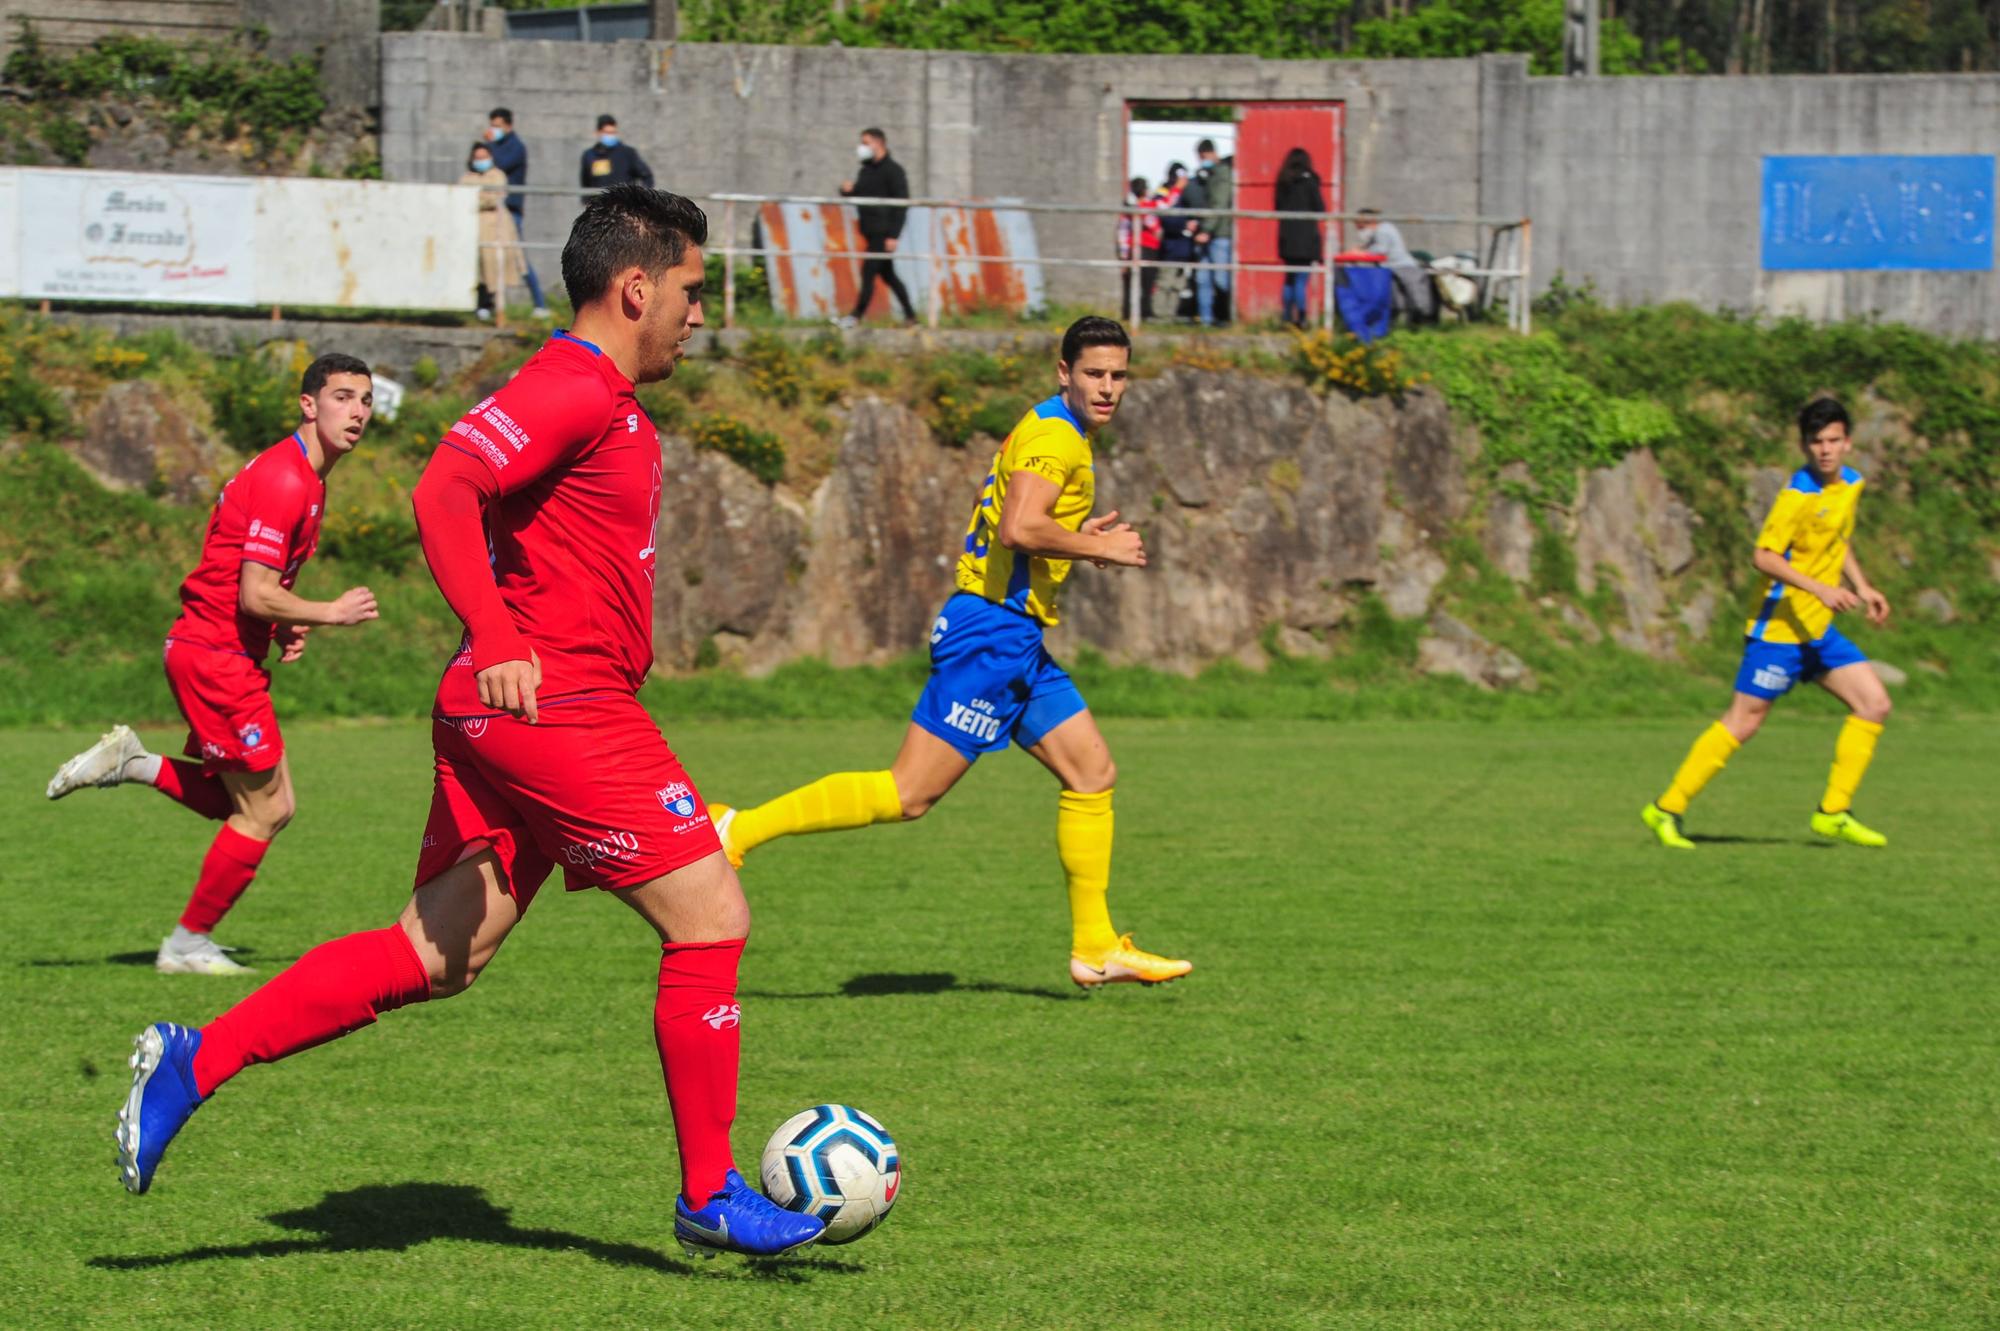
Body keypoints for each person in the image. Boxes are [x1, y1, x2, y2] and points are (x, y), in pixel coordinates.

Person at [113, 185, 826, 1261]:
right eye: (689, 288)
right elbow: (445, 485)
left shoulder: (606, 398)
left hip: (528, 706)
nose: (698, 312)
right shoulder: (571, 385)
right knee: (710, 913)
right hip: (554, 701)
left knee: (439, 955)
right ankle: (711, 1189)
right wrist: (496, 635)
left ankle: (193, 1060)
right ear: (636, 286)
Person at [707, 317, 1191, 992]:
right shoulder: (1057, 437)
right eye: (1094, 374)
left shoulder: (1052, 426)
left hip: (1015, 638)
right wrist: (1096, 547)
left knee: (1092, 772)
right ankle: (738, 827)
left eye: (1118, 375)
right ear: (1064, 372)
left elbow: (1012, 519)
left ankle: (1096, 945)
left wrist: (1075, 536)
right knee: (910, 794)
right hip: (991, 635)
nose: (1107, 387)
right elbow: (1021, 525)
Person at [46, 357, 381, 975]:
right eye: (342, 397)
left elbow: (243, 579)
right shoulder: (287, 481)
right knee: (267, 809)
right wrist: (327, 611)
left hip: (216, 650)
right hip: (215, 656)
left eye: (365, 400)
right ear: (309, 404)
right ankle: (186, 945)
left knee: (257, 804)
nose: (357, 411)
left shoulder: (302, 475)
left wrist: (283, 623)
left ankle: (134, 765)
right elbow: (253, 591)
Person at [1641, 397, 1895, 850]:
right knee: (1743, 723)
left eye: (1833, 440)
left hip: (1817, 631)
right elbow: (1763, 557)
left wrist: (1864, 585)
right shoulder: (1796, 496)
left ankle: (1833, 813)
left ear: (1848, 442)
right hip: (1778, 631)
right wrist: (1819, 588)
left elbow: (1838, 540)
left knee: (1874, 704)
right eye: (1815, 442)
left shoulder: (1851, 484)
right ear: (1803, 445)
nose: (1825, 450)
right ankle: (1666, 808)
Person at [837, 127, 916, 327]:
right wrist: (847, 191)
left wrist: (893, 235)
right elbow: (860, 194)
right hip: (870, 232)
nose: (861, 147)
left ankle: (855, 317)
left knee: (868, 272)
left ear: (878, 143)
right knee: (889, 276)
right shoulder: (867, 170)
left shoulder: (894, 171)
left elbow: (901, 204)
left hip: (883, 232)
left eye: (865, 142)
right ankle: (911, 317)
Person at [483, 107, 552, 320]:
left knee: (518, 257)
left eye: (497, 126)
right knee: (488, 256)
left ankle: (539, 303)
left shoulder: (515, 147)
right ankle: (486, 305)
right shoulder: (497, 145)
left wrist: (488, 146)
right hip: (493, 210)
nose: (494, 130)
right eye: (492, 125)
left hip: (510, 210)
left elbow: (499, 166)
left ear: (508, 126)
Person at [462, 140, 528, 321]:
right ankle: (480, 305)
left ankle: (494, 306)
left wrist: (478, 199)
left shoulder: (497, 175)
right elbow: (462, 198)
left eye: (484, 157)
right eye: (477, 157)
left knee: (496, 264)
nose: (481, 160)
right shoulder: (467, 177)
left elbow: (495, 198)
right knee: (479, 267)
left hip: (497, 226)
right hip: (475, 225)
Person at [1355, 208, 1435, 325]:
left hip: (1401, 268)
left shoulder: (1382, 231)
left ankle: (1418, 324)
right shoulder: (1383, 229)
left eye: (1359, 223)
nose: (1357, 227)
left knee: (1411, 300)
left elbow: (1381, 250)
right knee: (1397, 300)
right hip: (1394, 268)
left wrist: (1361, 252)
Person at [1274, 147, 1325, 329]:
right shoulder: (1310, 181)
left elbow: (1277, 207)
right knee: (1301, 280)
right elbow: (1320, 208)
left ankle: (1286, 316)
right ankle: (1301, 318)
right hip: (1305, 238)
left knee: (1289, 278)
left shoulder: (1282, 181)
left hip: (1286, 236)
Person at [1189, 138, 1234, 327]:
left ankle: (1226, 317)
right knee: (1202, 279)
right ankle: (1206, 320)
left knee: (1221, 279)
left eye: (1202, 157)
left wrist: (1206, 229)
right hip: (1210, 232)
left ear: (1208, 153)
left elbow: (1219, 204)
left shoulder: (1222, 174)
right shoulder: (1213, 174)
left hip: (1219, 234)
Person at [1117, 175, 1162, 321]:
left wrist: (1123, 255)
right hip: (1147, 247)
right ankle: (1145, 312)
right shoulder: (1144, 207)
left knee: (1131, 283)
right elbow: (1153, 225)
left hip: (1132, 249)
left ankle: (1128, 313)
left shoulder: (1128, 209)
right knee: (1146, 283)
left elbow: (1122, 232)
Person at [580, 115, 655, 191]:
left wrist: (641, 196)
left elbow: (646, 176)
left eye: (613, 132)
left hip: (624, 200)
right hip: (600, 200)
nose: (610, 136)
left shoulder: (627, 153)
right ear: (598, 133)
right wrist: (587, 201)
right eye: (607, 133)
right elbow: (586, 184)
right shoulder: (589, 155)